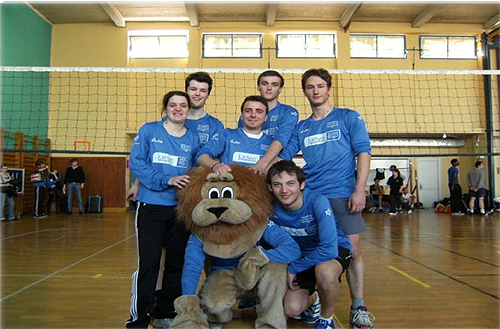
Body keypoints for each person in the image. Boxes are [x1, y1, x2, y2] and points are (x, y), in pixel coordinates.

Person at [278, 69, 374, 328]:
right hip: (312, 197)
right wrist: (262, 163)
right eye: (310, 87)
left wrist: (359, 189)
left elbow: (363, 153)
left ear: (329, 89)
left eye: (320, 86)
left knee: (352, 252)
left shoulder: (348, 117)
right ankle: (316, 298)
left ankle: (358, 307)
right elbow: (285, 155)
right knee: (318, 251)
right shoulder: (302, 127)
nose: (316, 91)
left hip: (343, 195)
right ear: (305, 91)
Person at [125, 91, 200, 329]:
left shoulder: (193, 139)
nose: (178, 109)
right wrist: (165, 180)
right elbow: (137, 162)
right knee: (149, 264)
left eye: (182, 105)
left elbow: (197, 171)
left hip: (179, 211)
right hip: (151, 208)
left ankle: (166, 312)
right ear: (165, 108)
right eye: (173, 105)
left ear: (188, 109)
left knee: (176, 263)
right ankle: (139, 318)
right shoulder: (148, 131)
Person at [267, 161, 353, 329]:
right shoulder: (270, 208)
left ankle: (326, 319)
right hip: (302, 255)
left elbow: (329, 249)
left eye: (290, 183)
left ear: (302, 184)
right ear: (270, 187)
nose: (284, 190)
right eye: (278, 184)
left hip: (333, 251)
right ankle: (316, 298)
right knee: (291, 309)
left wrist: (294, 268)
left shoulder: (317, 201)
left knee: (326, 272)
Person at [127, 72, 224, 202]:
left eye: (203, 90)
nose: (197, 94)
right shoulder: (170, 120)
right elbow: (154, 156)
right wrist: (137, 184)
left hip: (197, 190)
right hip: (163, 191)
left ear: (208, 94)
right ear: (186, 91)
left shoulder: (215, 125)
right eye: (193, 89)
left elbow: (216, 159)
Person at [238, 70, 299, 175]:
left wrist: (265, 164)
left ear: (280, 89)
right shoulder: (246, 116)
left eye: (274, 85)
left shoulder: (289, 112)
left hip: (278, 167)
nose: (269, 88)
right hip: (251, 165)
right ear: (258, 87)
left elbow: (281, 139)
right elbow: (243, 141)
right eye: (264, 84)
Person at [197, 95, 273, 172]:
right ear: (242, 115)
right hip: (229, 183)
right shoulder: (226, 134)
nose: (253, 115)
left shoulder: (272, 143)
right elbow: (201, 156)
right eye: (248, 111)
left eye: (259, 111)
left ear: (266, 117)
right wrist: (215, 165)